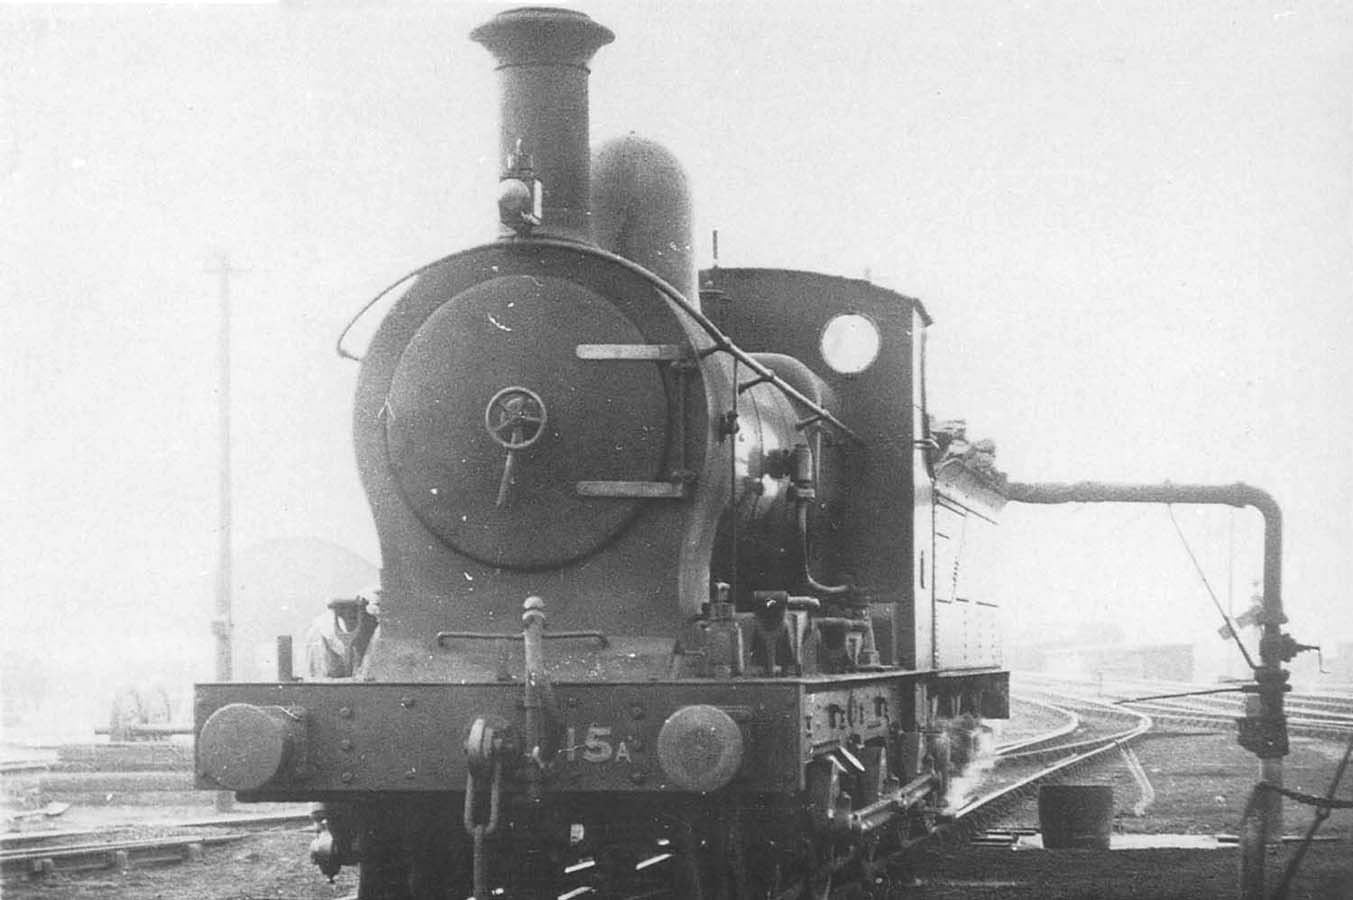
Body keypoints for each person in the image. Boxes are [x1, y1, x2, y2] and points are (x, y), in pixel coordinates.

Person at [304, 585, 381, 678]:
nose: (349, 614)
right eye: (342, 609)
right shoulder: (322, 631)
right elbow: (319, 679)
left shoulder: (377, 630)